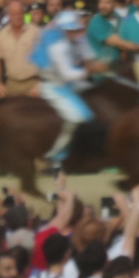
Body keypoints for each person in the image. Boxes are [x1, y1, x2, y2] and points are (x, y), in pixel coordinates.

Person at [32, 9, 109, 166]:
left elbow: (89, 58)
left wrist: (97, 66)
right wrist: (91, 69)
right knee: (78, 117)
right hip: (55, 86)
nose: (74, 32)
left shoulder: (77, 38)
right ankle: (52, 154)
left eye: (75, 28)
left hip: (71, 82)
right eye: (70, 29)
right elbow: (68, 74)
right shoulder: (58, 46)